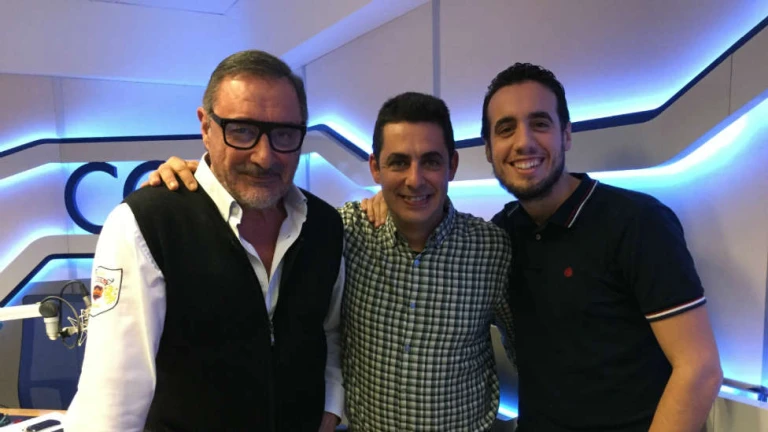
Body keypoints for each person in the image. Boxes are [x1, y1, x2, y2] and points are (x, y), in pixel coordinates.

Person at [364, 64, 723, 431]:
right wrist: (395, 200)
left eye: (539, 123)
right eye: (506, 129)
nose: (523, 142)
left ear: (566, 134)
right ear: (488, 149)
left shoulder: (636, 222)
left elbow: (699, 369)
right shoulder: (502, 236)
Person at [150, 92, 515, 431]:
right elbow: (262, 203)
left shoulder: (491, 248)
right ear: (375, 168)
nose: (414, 179)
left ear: (452, 165)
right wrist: (200, 181)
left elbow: (528, 346)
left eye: (431, 162)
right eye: (398, 162)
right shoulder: (342, 232)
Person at [65, 50, 345, 432]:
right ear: (206, 126)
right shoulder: (146, 224)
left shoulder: (325, 225)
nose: (265, 157)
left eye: (284, 134)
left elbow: (328, 333)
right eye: (242, 130)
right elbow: (111, 400)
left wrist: (330, 408)